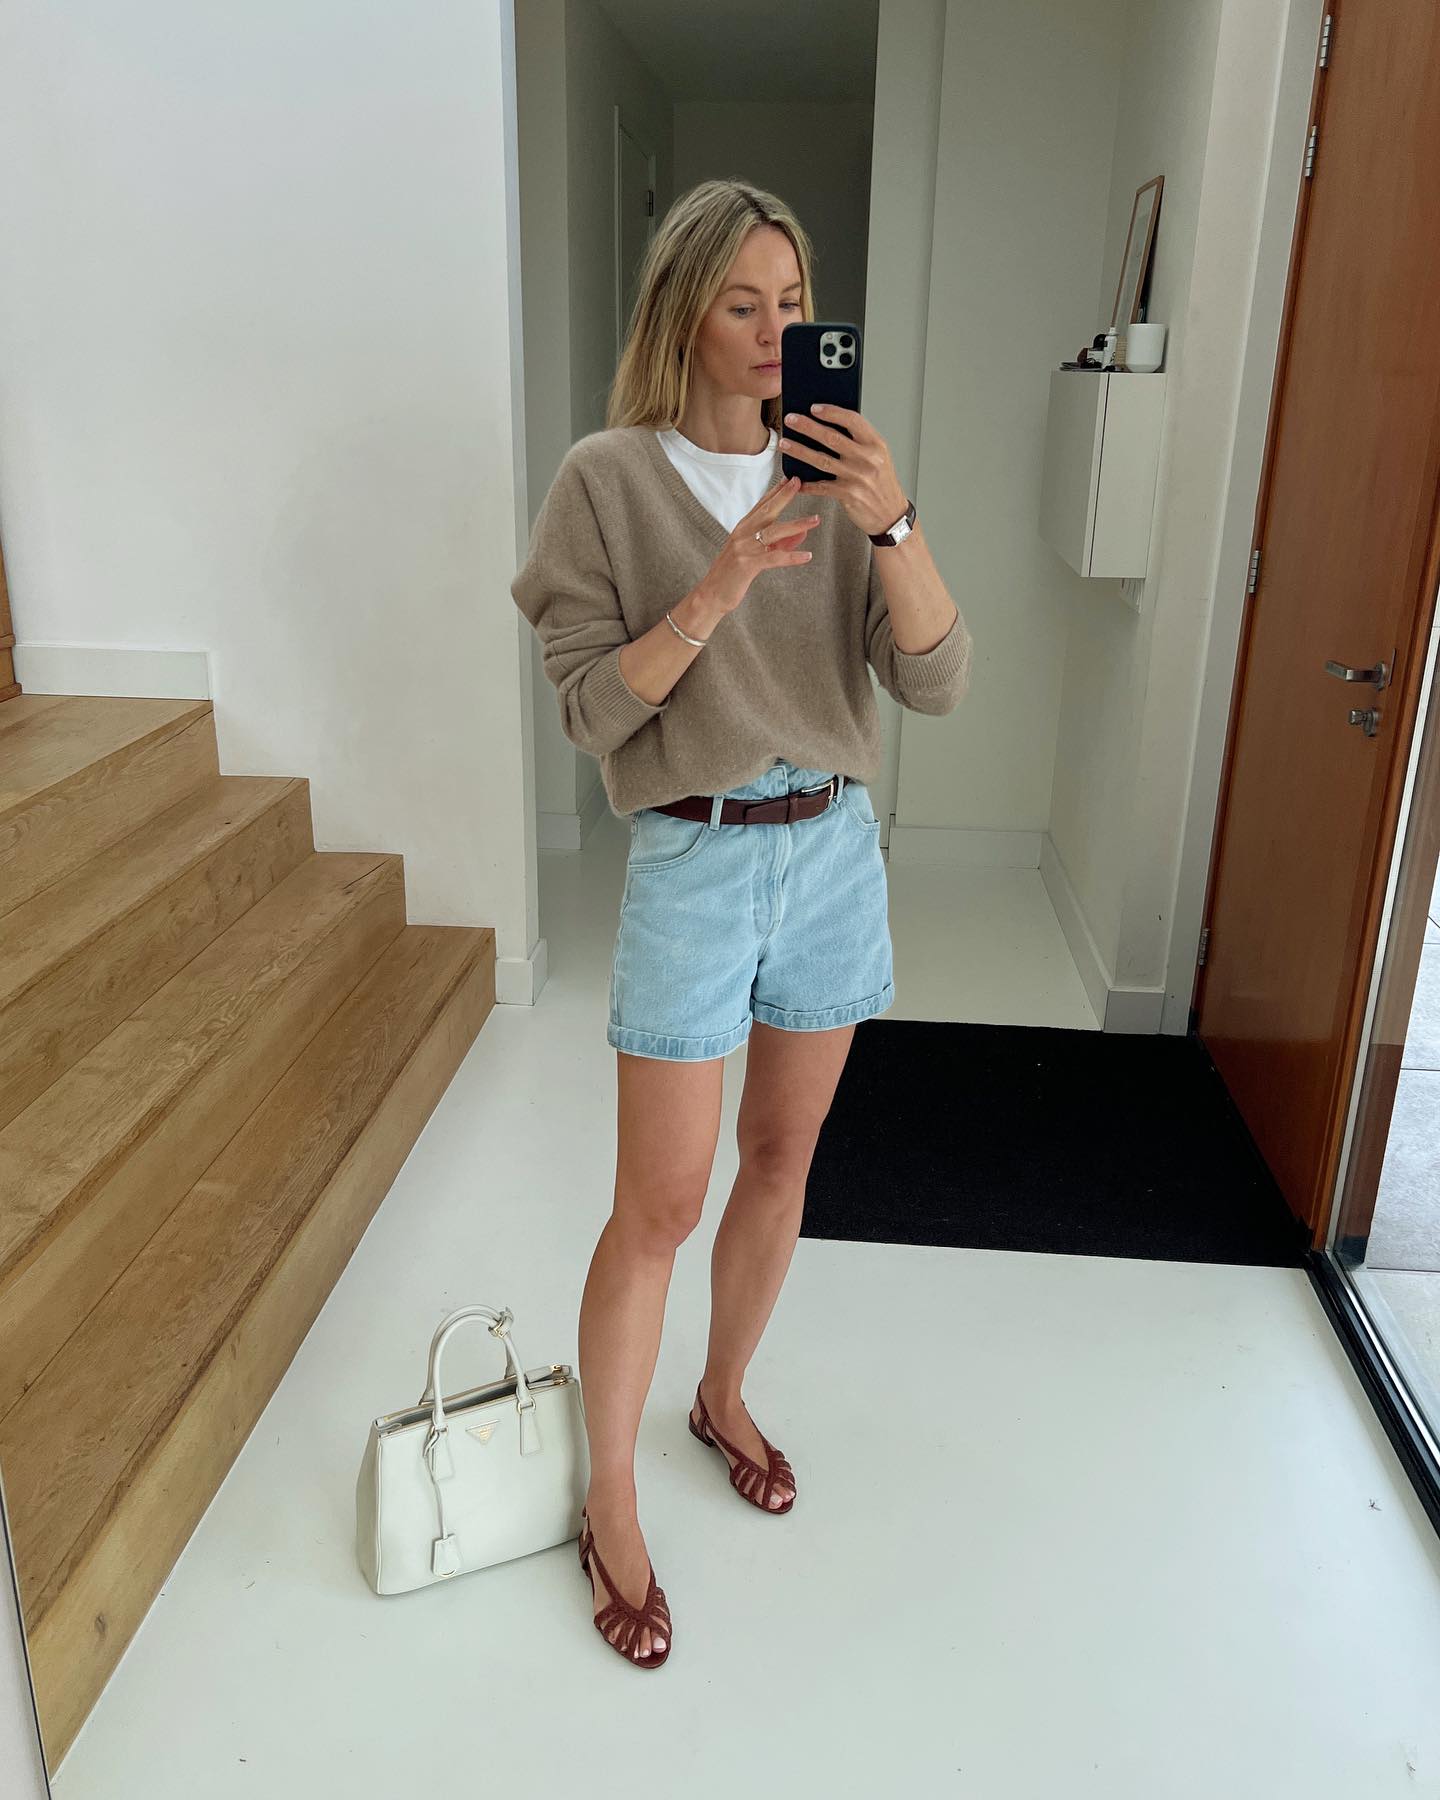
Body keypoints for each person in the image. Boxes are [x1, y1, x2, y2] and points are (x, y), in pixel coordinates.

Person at [511, 178, 973, 1668]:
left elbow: (938, 680)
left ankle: (719, 1397)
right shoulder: (604, 481)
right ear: (683, 314)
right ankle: (610, 1494)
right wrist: (714, 591)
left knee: (782, 1159)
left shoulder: (839, 477)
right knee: (659, 1202)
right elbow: (591, 711)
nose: (779, 332)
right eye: (745, 304)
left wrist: (892, 521)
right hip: (695, 858)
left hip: (832, 850)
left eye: (796, 304)